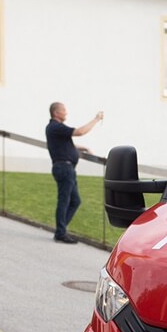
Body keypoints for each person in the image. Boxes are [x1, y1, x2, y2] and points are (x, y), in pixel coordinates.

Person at [45, 102, 102, 243]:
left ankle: (61, 230)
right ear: (56, 113)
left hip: (67, 169)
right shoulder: (56, 127)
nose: (66, 113)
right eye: (64, 110)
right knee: (64, 200)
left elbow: (66, 145)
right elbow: (80, 132)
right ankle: (60, 232)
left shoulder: (56, 129)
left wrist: (83, 148)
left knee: (75, 201)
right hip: (64, 168)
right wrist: (96, 119)